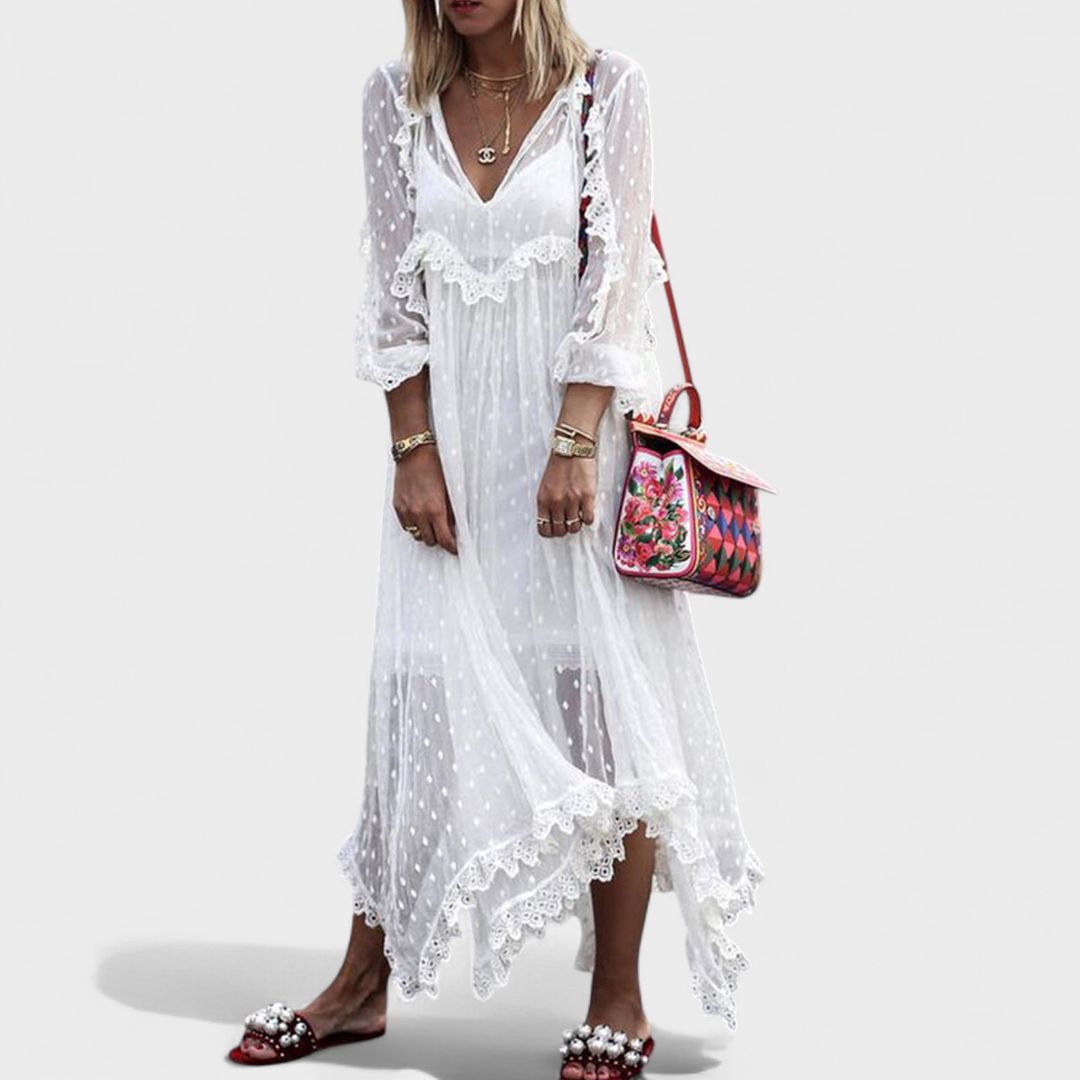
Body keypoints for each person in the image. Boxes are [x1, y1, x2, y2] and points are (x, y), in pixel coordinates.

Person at [227, 1, 765, 1075]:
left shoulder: (607, 90)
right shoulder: (395, 101)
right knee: (416, 695)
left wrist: (573, 442)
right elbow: (393, 296)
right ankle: (363, 980)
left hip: (577, 454)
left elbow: (616, 286)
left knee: (604, 706)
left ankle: (620, 998)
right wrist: (410, 451)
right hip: (453, 465)